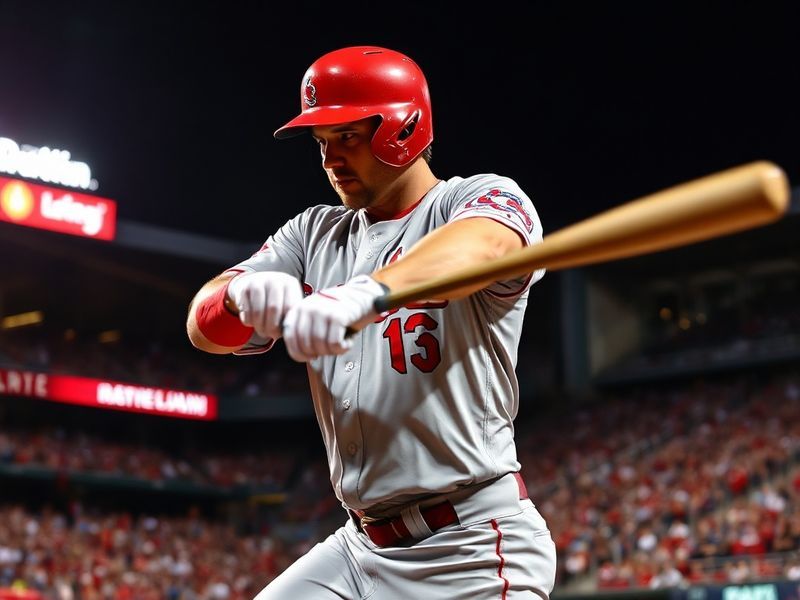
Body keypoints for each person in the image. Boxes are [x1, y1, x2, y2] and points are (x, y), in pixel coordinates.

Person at [187, 45, 557, 599]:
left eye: (348, 138)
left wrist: (370, 293)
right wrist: (238, 296)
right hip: (361, 549)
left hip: (471, 545)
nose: (330, 159)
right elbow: (202, 327)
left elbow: (486, 246)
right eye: (322, 143)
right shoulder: (313, 232)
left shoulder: (476, 199)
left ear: (403, 129)